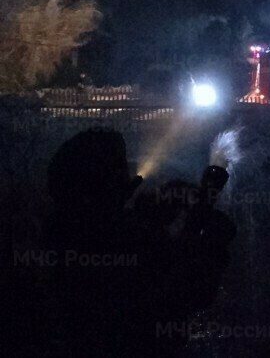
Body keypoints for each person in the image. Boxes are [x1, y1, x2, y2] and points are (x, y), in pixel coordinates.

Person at [40, 129, 235, 355]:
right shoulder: (112, 237)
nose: (129, 172)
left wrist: (148, 216)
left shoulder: (70, 229)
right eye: (119, 166)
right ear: (97, 178)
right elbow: (183, 295)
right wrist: (211, 243)